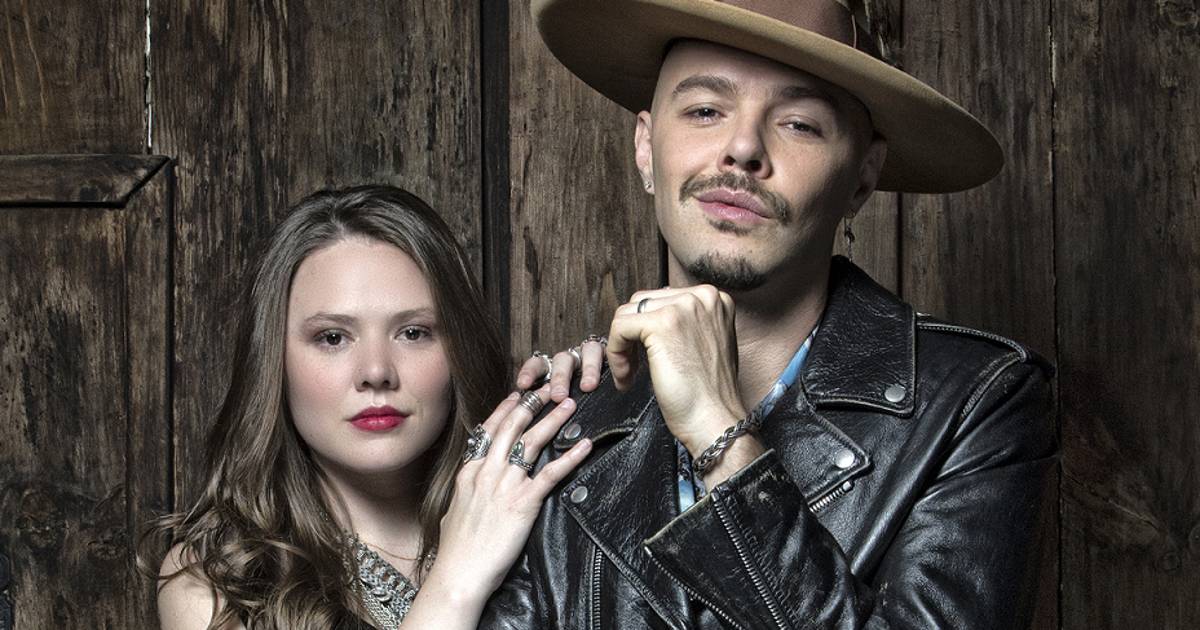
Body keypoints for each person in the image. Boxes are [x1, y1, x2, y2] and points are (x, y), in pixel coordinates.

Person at [485, 0, 1057, 628]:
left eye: (799, 124)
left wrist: (721, 435)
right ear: (646, 147)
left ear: (862, 178)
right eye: (706, 111)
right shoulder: (561, 423)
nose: (742, 149)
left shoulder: (977, 402)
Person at [141, 185, 601, 629]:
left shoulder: (550, 514)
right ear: (273, 361)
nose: (376, 371)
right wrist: (455, 583)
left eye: (413, 333)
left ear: (459, 349)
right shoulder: (216, 582)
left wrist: (618, 402)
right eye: (332, 338)